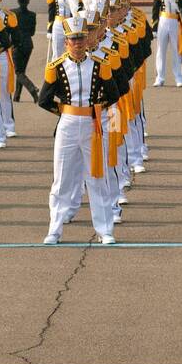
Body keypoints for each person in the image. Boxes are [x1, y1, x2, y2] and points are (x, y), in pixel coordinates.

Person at [37, 13, 120, 245]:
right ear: (66, 42)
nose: (77, 43)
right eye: (73, 39)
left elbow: (113, 93)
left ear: (87, 40)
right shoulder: (56, 67)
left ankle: (105, 230)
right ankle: (55, 229)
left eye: (81, 38)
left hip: (93, 125)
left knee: (97, 177)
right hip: (68, 125)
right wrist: (65, 111)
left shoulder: (99, 65)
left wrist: (97, 110)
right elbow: (43, 99)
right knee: (61, 178)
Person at [12, 0, 39, 101]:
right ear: (28, 2)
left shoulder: (13, 13)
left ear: (18, 1)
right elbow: (32, 32)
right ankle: (17, 96)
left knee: (18, 72)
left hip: (17, 44)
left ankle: (32, 88)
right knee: (21, 71)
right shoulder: (32, 15)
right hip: (28, 44)